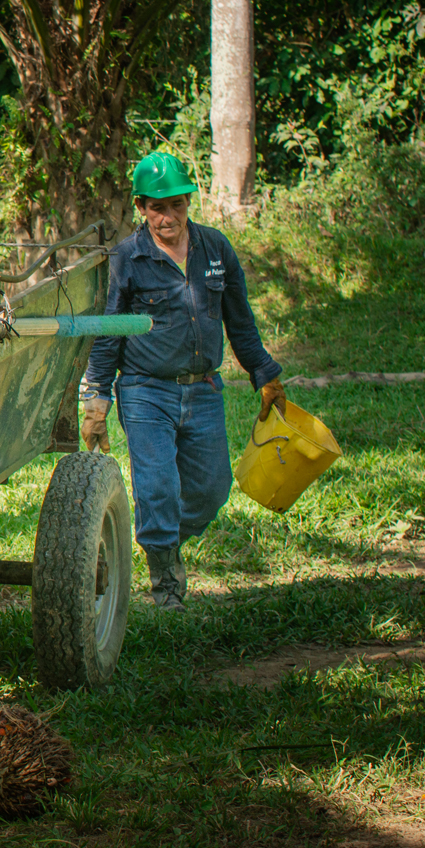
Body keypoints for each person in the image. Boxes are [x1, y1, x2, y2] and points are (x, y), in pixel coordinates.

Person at [80, 151, 284, 610]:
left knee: (212, 489)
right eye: (156, 206)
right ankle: (165, 582)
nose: (166, 216)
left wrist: (265, 376)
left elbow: (241, 321)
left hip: (204, 389)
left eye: (175, 204)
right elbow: (108, 330)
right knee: (157, 488)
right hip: (144, 390)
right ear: (141, 206)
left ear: (189, 200)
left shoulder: (216, 250)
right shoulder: (127, 258)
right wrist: (96, 397)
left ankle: (164, 543)